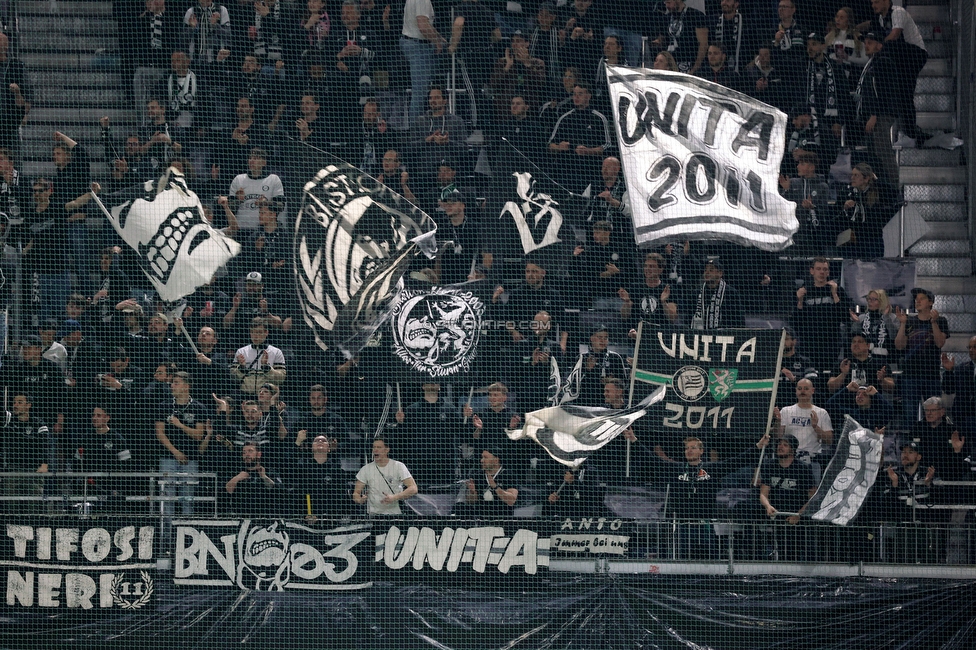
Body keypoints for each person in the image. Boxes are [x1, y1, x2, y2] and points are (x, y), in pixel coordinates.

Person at [861, 0, 929, 144]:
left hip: (913, 55)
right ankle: (909, 131)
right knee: (901, 93)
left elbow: (895, 35)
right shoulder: (881, 19)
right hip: (901, 60)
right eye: (872, 3)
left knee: (905, 92)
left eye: (876, 2)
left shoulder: (897, 12)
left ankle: (910, 133)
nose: (873, 5)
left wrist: (878, 45)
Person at [153, 372, 209, 515]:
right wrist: (175, 452)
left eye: (176, 382)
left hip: (190, 459)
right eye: (172, 382)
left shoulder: (198, 408)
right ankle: (165, 535)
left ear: (186, 386)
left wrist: (179, 425)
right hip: (167, 457)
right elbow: (159, 432)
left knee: (188, 498)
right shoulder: (163, 406)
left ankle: (187, 533)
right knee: (167, 499)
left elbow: (199, 435)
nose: (172, 385)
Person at [895, 287, 949, 426]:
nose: (917, 301)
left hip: (931, 375)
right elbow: (900, 346)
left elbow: (939, 343)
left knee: (934, 412)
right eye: (916, 299)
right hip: (910, 375)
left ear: (930, 303)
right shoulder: (909, 321)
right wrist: (902, 324)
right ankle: (911, 442)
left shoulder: (941, 321)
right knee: (909, 414)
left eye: (922, 298)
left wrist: (933, 323)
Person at [758, 434, 816, 560]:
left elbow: (813, 497)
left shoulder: (803, 468)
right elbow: (763, 493)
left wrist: (799, 514)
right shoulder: (770, 466)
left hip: (797, 513)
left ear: (793, 449)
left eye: (785, 445)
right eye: (779, 444)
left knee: (793, 550)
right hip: (775, 512)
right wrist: (768, 506)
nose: (780, 447)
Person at [853, 32, 899, 188]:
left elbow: (882, 91)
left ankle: (894, 186)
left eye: (870, 42)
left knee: (882, 151)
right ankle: (880, 186)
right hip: (876, 114)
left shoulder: (882, 62)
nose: (866, 45)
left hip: (882, 115)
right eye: (865, 42)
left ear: (880, 45)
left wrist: (875, 114)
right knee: (875, 151)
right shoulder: (874, 62)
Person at [547, 81, 611, 193]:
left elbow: (607, 146)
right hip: (566, 172)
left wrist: (588, 151)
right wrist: (559, 147)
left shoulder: (599, 118)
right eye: (574, 94)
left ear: (589, 96)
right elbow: (550, 145)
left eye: (580, 94)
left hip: (590, 173)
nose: (576, 97)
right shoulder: (564, 118)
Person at [790, 257, 850, 373]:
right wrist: (800, 301)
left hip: (831, 346)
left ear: (828, 272)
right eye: (818, 269)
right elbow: (795, 323)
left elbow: (845, 317)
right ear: (811, 271)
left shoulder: (837, 290)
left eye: (825, 269)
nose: (822, 272)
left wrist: (835, 295)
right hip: (808, 346)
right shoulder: (803, 291)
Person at [1, 393, 53, 514]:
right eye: (14, 402)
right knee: (11, 506)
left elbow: (45, 445)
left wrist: (44, 464)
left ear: (28, 405)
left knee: (33, 506)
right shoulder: (8, 422)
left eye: (20, 402)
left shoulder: (39, 424)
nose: (15, 405)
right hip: (13, 470)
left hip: (33, 469)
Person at [774, 378, 832, 483]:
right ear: (796, 391)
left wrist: (815, 427)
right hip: (788, 461)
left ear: (812, 390)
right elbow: (778, 436)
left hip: (811, 461)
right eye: (800, 388)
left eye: (806, 388)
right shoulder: (786, 411)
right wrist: (778, 421)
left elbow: (829, 440)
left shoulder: (821, 413)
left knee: (812, 495)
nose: (802, 391)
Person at [837, 163, 897, 260]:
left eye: (856, 175)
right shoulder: (846, 192)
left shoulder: (878, 193)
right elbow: (835, 211)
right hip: (852, 240)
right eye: (852, 175)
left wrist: (877, 180)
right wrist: (844, 207)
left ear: (866, 178)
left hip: (872, 240)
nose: (852, 178)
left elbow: (894, 195)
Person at [401, 0, 446, 121]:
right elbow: (423, 26)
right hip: (418, 46)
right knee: (420, 93)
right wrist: (437, 42)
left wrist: (437, 36)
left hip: (414, 43)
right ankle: (415, 132)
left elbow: (426, 24)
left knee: (421, 91)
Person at [353, 436, 418, 516]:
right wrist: (360, 500)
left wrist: (394, 497)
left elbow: (413, 488)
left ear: (387, 450)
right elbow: (356, 493)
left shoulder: (398, 466)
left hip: (395, 514)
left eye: (379, 447)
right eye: (374, 447)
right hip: (374, 515)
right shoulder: (366, 469)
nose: (375, 450)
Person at [780, 152, 830, 256]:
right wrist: (786, 190)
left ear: (811, 167)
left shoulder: (822, 187)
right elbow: (782, 206)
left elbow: (825, 211)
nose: (798, 166)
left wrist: (812, 208)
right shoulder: (792, 182)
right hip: (794, 234)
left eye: (802, 164)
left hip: (813, 236)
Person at [620, 252, 680, 331]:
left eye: (652, 266)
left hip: (661, 333)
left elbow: (672, 318)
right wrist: (627, 302)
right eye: (646, 266)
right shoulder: (635, 287)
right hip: (637, 333)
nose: (647, 269)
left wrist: (663, 302)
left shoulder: (668, 289)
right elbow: (624, 316)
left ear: (660, 269)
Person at [228, 148, 284, 231]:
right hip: (241, 229)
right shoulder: (238, 179)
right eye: (250, 158)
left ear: (264, 163)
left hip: (264, 231)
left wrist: (265, 203)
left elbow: (281, 205)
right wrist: (238, 200)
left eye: (256, 158)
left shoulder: (273, 179)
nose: (251, 161)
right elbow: (230, 208)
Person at [458, 448, 520, 518]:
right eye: (482, 457)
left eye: (485, 458)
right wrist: (473, 492)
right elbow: (471, 502)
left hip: (503, 519)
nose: (481, 460)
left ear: (496, 460)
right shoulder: (477, 475)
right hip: (481, 520)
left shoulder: (508, 475)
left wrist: (495, 487)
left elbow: (511, 501)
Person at [232, 317, 287, 395]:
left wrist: (266, 368)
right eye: (253, 332)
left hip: (267, 398)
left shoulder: (276, 352)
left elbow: (281, 379)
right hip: (245, 396)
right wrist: (242, 368)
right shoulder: (241, 352)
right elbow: (232, 378)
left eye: (259, 332)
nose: (255, 336)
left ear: (266, 332)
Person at [224, 443, 282, 515]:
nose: (246, 455)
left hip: (266, 514)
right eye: (244, 452)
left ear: (259, 454)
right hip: (241, 515)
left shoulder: (269, 471)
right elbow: (227, 492)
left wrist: (264, 477)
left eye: (250, 451)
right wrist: (237, 478)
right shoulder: (237, 471)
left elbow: (279, 492)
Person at [578, 324, 628, 407]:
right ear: (592, 338)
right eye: (599, 337)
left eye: (606, 338)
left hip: (609, 406)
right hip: (585, 404)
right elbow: (573, 385)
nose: (603, 341)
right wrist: (586, 370)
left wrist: (612, 381)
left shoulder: (615, 357)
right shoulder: (581, 358)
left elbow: (624, 383)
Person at [826, 332, 890, 396]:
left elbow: (891, 388)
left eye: (860, 342)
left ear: (868, 346)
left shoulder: (879, 363)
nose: (856, 344)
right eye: (853, 342)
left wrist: (882, 380)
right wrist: (843, 374)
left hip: (873, 402)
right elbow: (831, 388)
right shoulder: (843, 363)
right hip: (846, 402)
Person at [653, 0, 708, 74]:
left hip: (689, 63)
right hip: (670, 65)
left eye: (669, 2)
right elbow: (663, 38)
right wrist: (658, 41)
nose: (667, 6)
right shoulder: (666, 18)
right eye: (665, 3)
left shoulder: (695, 15)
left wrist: (695, 68)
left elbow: (703, 44)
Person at [688, 258, 745, 330]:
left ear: (720, 273)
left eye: (711, 270)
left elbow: (739, 321)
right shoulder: (696, 293)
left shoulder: (731, 293)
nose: (707, 273)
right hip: (698, 336)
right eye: (705, 270)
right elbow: (688, 318)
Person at [941, 336, 976, 437]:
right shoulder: (962, 369)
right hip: (963, 417)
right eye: (969, 347)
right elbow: (948, 389)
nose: (971, 350)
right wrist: (948, 372)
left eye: (974, 347)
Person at [850, 288, 898, 362]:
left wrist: (886, 318)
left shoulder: (892, 317)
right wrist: (856, 322)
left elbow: (894, 336)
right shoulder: (862, 317)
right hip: (864, 359)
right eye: (869, 299)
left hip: (886, 359)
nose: (870, 301)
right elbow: (855, 337)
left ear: (882, 301)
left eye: (874, 299)